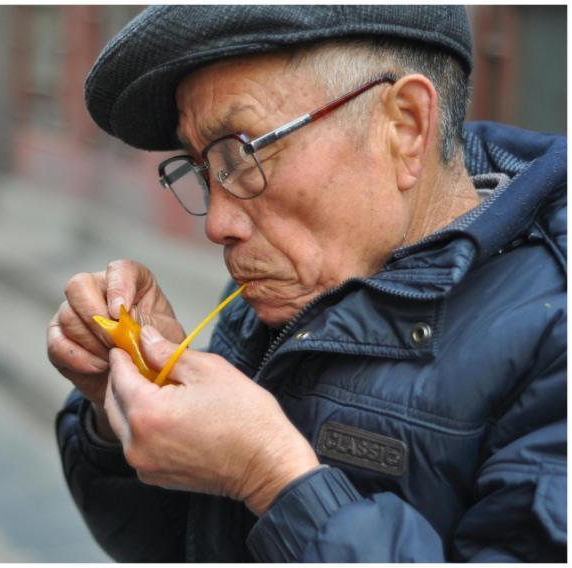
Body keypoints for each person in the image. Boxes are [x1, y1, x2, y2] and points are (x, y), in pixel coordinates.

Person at [48, 6, 566, 562]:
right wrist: (129, 408)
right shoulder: (281, 289)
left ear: (406, 126)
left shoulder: (552, 340)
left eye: (244, 153)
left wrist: (271, 478)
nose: (220, 224)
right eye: (203, 169)